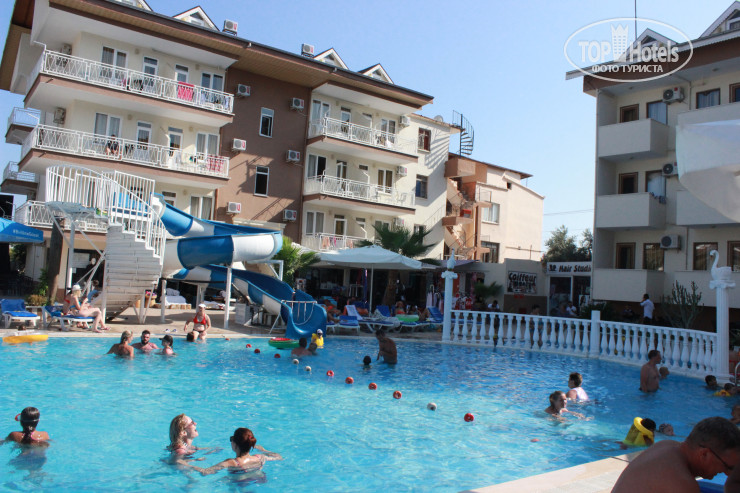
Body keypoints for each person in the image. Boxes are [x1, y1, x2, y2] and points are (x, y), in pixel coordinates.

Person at [612, 417, 740, 493]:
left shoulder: (666, 446)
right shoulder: (682, 484)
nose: (728, 474)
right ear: (704, 454)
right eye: (728, 467)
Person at [184, 427, 282, 475]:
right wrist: (263, 450)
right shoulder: (260, 457)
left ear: (235, 444)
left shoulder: (231, 462)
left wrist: (186, 464)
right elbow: (278, 457)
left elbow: (205, 472)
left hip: (239, 487)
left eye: (232, 439)